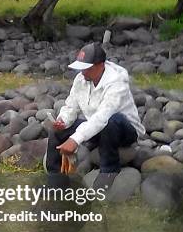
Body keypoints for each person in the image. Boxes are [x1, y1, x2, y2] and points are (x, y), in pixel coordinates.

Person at [46, 42, 145, 189]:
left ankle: (109, 169)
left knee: (112, 120)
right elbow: (70, 106)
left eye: (86, 68)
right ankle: (56, 182)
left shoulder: (117, 82)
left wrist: (75, 140)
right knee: (57, 131)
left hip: (124, 131)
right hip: (95, 127)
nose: (83, 72)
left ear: (100, 65)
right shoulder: (81, 79)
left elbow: (103, 116)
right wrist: (63, 121)